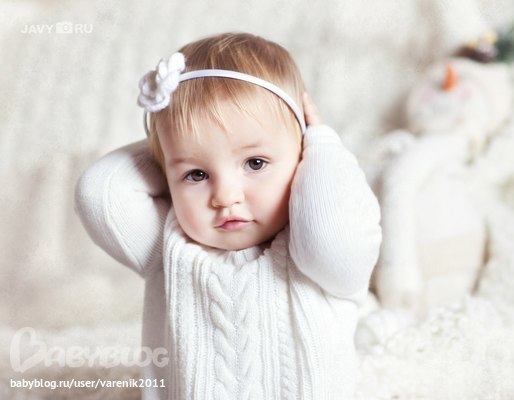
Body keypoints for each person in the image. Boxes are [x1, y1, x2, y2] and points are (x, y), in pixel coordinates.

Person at [75, 32, 381, 400]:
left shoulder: (316, 255)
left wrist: (322, 142)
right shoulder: (169, 248)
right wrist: (169, 139)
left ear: (303, 157)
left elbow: (330, 232)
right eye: (196, 175)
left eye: (255, 163)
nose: (225, 196)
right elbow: (99, 192)